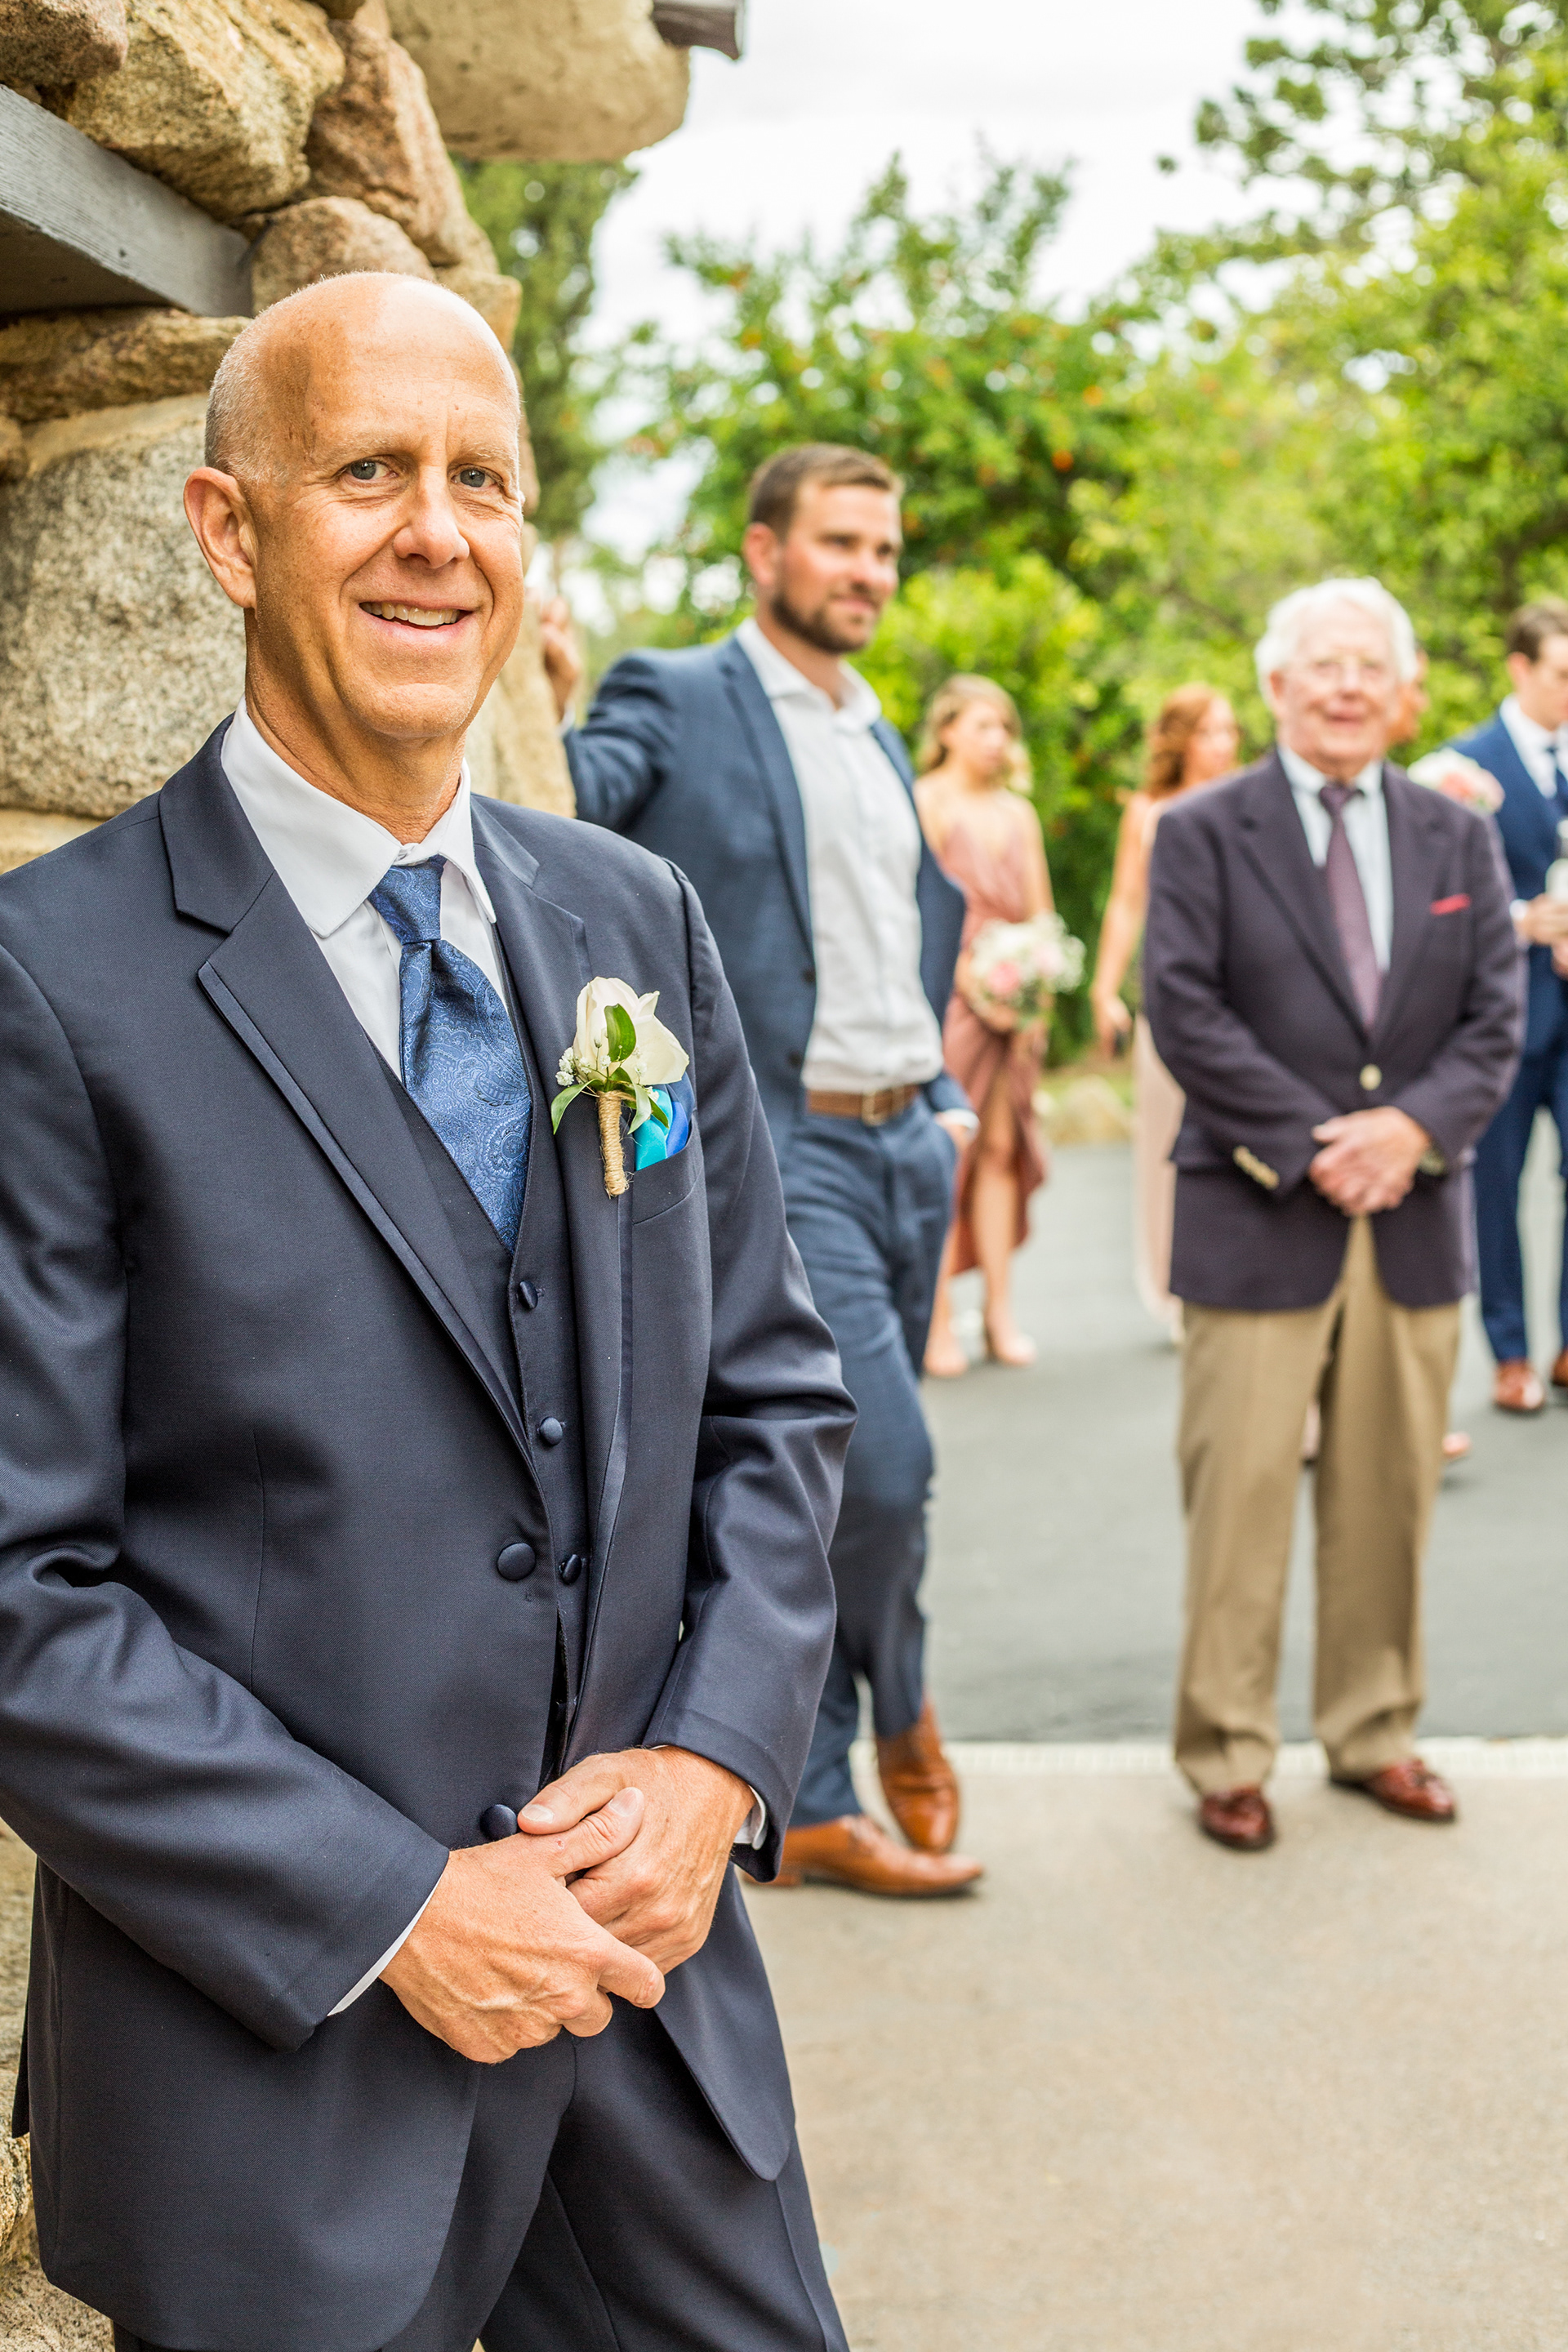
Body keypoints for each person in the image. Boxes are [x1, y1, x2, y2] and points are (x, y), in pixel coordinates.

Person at [0, 274, 861, 2352]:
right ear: (229, 530)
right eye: (369, 472)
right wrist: (394, 1907)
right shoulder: (47, 981)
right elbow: (22, 1588)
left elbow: (773, 1398)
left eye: (484, 481)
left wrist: (711, 1763)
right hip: (279, 2077)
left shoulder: (632, 917)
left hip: (651, 2028)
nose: (436, 534)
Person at [553, 443, 985, 1899]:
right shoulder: (677, 692)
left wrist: (941, 1095)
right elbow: (561, 803)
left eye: (886, 548)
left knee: (850, 1475)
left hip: (910, 1140)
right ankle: (877, 1724)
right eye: (842, 542)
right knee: (881, 1467)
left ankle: (824, 1778)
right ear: (764, 551)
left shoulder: (874, 729)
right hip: (784, 1142)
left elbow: (897, 924)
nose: (869, 571)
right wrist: (539, 693)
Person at [1144, 577, 1521, 1855]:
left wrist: (1410, 1132)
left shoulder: (1458, 836)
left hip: (1411, 1217)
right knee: (1239, 1500)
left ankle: (1374, 1731)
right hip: (1259, 1212)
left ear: (1404, 693)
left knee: (1390, 1496)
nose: (1348, 686)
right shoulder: (1203, 830)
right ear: (1277, 687)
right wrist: (1321, 1147)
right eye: (1325, 664)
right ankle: (1227, 1750)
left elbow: (1496, 1015)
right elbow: (1184, 1006)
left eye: (1371, 666)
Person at [1445, 599, 1568, 1414]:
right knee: (1497, 1185)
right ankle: (1511, 1351)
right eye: (1562, 674)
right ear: (1520, 669)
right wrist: (1522, 921)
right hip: (1506, 1016)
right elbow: (1442, 902)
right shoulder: (1463, 768)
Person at [1090, 685, 1241, 1338]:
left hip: (1243, 997)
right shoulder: (1147, 811)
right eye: (1209, 732)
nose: (1224, 744)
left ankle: (1237, 1278)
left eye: (1231, 731)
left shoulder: (1251, 802)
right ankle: (1175, 1289)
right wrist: (1104, 989)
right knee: (1164, 1144)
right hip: (1170, 997)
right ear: (1180, 740)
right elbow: (1127, 903)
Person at [915, 675, 1054, 1376]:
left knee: (1001, 1150)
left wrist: (1035, 995)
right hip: (952, 1000)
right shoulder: (927, 802)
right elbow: (918, 909)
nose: (998, 740)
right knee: (952, 1152)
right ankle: (937, 1320)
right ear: (947, 731)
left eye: (1005, 727)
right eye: (983, 726)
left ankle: (1000, 1312)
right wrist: (972, 981)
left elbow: (1039, 911)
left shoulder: (1018, 814)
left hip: (1013, 1005)